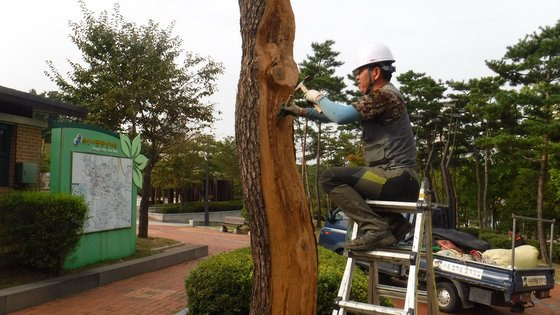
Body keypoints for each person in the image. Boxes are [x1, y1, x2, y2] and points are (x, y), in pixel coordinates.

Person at [281, 42, 419, 250]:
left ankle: (376, 229)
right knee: (353, 185)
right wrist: (298, 111)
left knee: (330, 177)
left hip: (396, 179)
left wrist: (317, 96)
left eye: (358, 73)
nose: (356, 78)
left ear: (375, 72)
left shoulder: (385, 95)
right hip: (397, 181)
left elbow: (340, 115)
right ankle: (396, 225)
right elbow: (329, 116)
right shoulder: (379, 99)